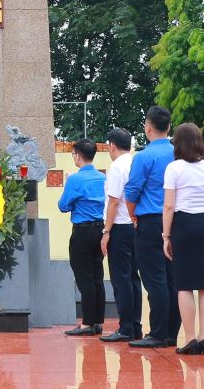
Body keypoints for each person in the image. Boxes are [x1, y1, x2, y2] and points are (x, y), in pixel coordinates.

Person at [126, 106, 179, 349]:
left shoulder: (144, 157)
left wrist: (132, 216)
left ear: (148, 127)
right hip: (175, 220)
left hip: (149, 221)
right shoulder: (179, 153)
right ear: (169, 127)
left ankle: (157, 332)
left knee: (154, 278)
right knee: (172, 278)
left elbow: (132, 192)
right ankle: (171, 332)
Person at [162, 122, 204, 355]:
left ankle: (190, 338)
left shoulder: (174, 168)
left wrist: (166, 236)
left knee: (183, 285)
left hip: (182, 225)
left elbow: (169, 205)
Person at [57, 139, 106, 336]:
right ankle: (98, 322)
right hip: (100, 229)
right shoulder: (102, 178)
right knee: (97, 276)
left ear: (77, 155)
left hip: (82, 232)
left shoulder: (75, 179)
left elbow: (63, 206)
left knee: (84, 278)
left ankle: (86, 324)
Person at [99, 128, 142, 343]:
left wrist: (106, 231)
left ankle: (125, 328)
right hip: (134, 226)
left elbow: (114, 202)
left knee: (120, 279)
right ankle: (135, 326)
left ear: (112, 145)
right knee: (133, 277)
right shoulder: (134, 162)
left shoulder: (117, 167)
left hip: (120, 227)